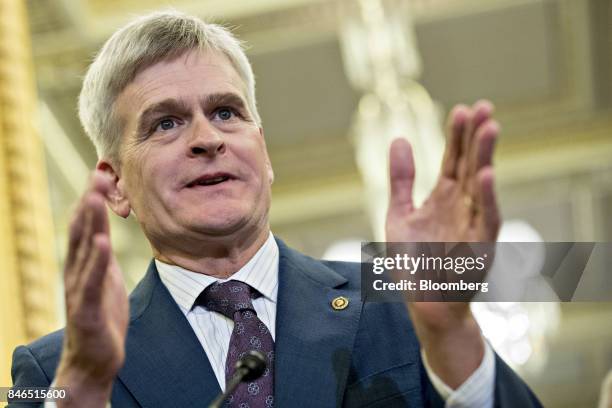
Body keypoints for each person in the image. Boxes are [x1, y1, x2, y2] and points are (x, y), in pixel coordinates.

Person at [10, 10, 541, 408]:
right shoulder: (49, 372)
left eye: (226, 112)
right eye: (165, 123)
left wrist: (453, 336)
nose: (206, 138)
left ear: (262, 151)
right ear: (115, 184)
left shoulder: (398, 306)